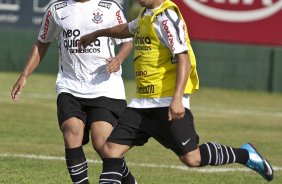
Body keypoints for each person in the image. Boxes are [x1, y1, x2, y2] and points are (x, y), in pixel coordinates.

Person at [78, 0, 274, 183]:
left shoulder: (167, 17)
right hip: (141, 104)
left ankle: (246, 155)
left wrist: (178, 99)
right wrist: (97, 33)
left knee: (192, 158)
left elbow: (184, 58)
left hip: (166, 102)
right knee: (110, 151)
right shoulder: (146, 15)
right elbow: (127, 29)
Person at [11, 0, 136, 183]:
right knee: (71, 131)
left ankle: (129, 181)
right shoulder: (56, 9)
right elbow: (42, 43)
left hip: (105, 86)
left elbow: (127, 42)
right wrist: (24, 75)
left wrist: (118, 59)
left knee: (102, 144)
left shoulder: (109, 7)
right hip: (70, 85)